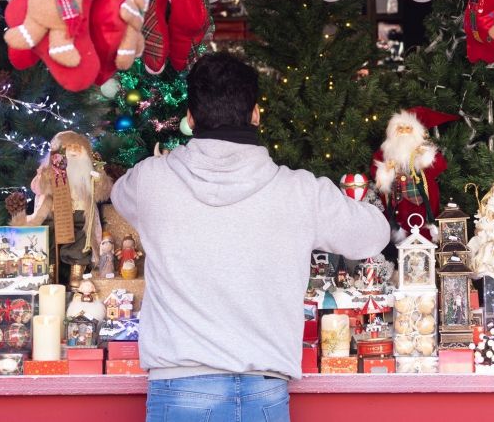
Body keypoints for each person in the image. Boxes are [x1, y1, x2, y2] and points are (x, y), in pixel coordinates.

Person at [111, 52, 390, 422]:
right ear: (256, 113)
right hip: (264, 391)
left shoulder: (151, 181)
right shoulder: (300, 192)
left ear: (191, 119)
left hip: (180, 390)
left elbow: (118, 195)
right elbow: (374, 234)